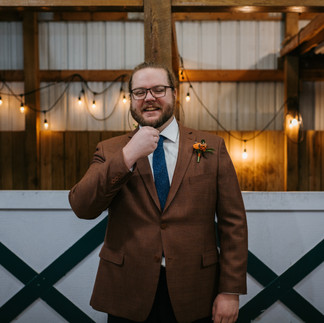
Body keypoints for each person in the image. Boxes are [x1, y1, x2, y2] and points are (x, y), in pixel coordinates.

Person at [69, 62, 248, 323]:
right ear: (130, 99)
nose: (149, 98)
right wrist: (128, 155)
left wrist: (230, 291)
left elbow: (234, 224)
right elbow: (82, 206)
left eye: (158, 89)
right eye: (140, 92)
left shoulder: (212, 147)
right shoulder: (110, 150)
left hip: (196, 291)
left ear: (174, 93)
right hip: (128, 291)